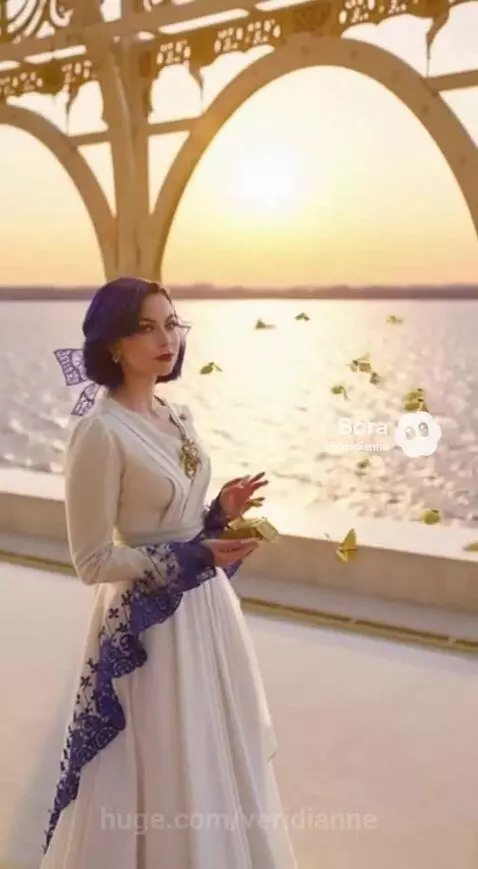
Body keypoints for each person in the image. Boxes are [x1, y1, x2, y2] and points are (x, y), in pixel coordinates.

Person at [41, 277, 297, 869]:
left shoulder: (174, 413)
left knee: (212, 752)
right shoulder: (99, 433)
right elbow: (92, 561)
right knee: (162, 759)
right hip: (146, 634)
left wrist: (218, 515)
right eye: (146, 327)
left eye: (172, 324)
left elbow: (179, 519)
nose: (166, 338)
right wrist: (192, 557)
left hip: (206, 616)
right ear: (112, 345)